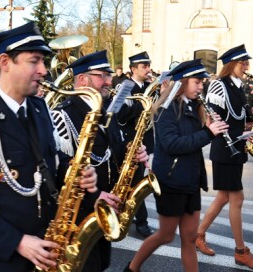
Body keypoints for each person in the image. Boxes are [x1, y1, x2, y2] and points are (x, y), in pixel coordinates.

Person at [0, 21, 98, 272]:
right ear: (5, 62)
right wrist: (17, 242)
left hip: (49, 251)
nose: (44, 70)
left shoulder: (41, 110)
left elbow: (50, 168)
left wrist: (75, 174)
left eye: (44, 62)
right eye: (34, 61)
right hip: (2, 261)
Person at [124, 59, 228, 272]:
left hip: (191, 180)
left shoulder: (195, 107)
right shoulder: (165, 108)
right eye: (197, 82)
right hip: (171, 181)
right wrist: (208, 133)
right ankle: (133, 268)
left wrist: (210, 128)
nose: (201, 87)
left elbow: (195, 140)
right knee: (166, 235)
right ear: (181, 82)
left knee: (190, 239)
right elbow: (172, 144)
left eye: (202, 83)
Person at [54, 50, 148, 271]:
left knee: (101, 264)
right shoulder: (62, 115)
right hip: (77, 216)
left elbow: (114, 157)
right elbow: (61, 170)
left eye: (108, 75)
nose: (109, 81)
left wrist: (133, 155)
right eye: (102, 76)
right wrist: (95, 196)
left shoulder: (106, 112)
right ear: (82, 79)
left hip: (105, 209)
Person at [196, 44, 253, 270]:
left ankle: (198, 236)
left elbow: (241, 118)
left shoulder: (239, 86)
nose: (246, 66)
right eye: (242, 62)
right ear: (231, 65)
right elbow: (218, 120)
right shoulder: (219, 86)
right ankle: (241, 252)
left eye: (247, 62)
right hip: (225, 149)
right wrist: (243, 132)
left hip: (236, 147)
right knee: (236, 199)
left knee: (224, 198)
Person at [117, 51, 155, 238]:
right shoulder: (124, 87)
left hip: (146, 141)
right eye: (144, 66)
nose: (148, 69)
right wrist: (143, 104)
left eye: (148, 65)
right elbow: (120, 114)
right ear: (133, 69)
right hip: (129, 141)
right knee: (136, 183)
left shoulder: (150, 86)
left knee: (134, 181)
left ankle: (126, 213)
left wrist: (162, 95)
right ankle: (141, 222)